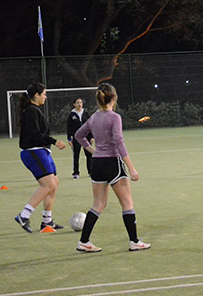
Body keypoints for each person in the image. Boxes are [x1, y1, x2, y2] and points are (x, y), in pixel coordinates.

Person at [73, 83, 150, 253]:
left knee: (98, 204)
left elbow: (78, 135)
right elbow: (119, 142)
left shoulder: (93, 117)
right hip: (112, 163)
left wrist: (93, 151)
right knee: (127, 203)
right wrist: (131, 168)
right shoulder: (114, 117)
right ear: (114, 98)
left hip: (97, 164)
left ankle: (84, 241)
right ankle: (134, 241)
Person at [14, 82, 67, 233]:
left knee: (54, 183)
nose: (45, 96)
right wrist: (54, 141)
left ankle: (46, 221)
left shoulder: (34, 110)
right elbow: (35, 134)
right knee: (48, 184)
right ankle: (24, 215)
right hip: (33, 151)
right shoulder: (30, 111)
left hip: (42, 151)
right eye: (44, 94)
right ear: (36, 95)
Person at [66, 97, 93, 179]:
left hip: (86, 137)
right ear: (74, 104)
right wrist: (69, 139)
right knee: (76, 155)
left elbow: (90, 125)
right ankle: (76, 172)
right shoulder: (71, 115)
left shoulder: (86, 113)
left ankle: (91, 172)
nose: (79, 104)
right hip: (76, 138)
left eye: (80, 102)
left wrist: (91, 137)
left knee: (89, 155)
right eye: (77, 102)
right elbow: (68, 127)